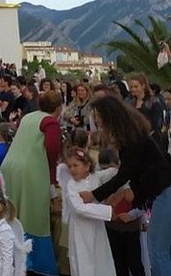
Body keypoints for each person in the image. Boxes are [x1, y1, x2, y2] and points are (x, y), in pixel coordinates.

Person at [79, 95, 171, 276]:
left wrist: (94, 195)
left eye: (98, 116)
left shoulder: (134, 141)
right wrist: (131, 209)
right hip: (162, 193)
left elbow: (124, 176)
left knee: (158, 252)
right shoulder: (134, 137)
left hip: (165, 193)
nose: (96, 120)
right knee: (160, 251)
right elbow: (137, 177)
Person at [1, 90, 63, 275]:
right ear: (59, 108)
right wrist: (52, 181)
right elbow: (52, 152)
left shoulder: (27, 118)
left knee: (15, 213)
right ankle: (36, 262)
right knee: (35, 216)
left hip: (11, 167)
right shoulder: (50, 122)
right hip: (31, 170)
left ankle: (13, 257)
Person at [62, 147, 117, 276]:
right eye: (69, 166)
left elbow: (112, 172)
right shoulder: (71, 185)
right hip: (81, 229)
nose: (72, 169)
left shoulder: (95, 178)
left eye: (76, 165)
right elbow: (79, 208)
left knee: (101, 260)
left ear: (87, 166)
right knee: (84, 262)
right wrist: (107, 211)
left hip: (97, 227)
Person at [98, 147, 146, 276]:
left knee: (132, 263)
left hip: (129, 226)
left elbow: (139, 200)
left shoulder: (132, 178)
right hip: (114, 226)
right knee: (121, 263)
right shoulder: (103, 179)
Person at [126, 73, 166, 151]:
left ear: (143, 86)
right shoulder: (130, 103)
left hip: (152, 140)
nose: (133, 89)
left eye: (136, 86)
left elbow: (157, 123)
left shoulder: (153, 102)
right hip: (135, 140)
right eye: (131, 87)